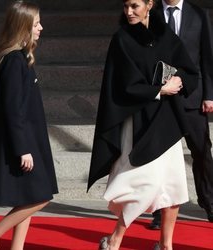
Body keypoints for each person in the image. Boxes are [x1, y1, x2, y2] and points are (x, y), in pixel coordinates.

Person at [87, 0, 198, 249]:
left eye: (135, 5)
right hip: (137, 123)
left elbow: (189, 70)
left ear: (150, 4)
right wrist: (159, 89)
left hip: (166, 122)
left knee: (174, 187)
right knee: (141, 183)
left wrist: (178, 79)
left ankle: (165, 245)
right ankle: (115, 238)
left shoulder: (165, 34)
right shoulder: (122, 39)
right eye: (126, 5)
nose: (129, 12)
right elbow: (122, 85)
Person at [0, 1, 58, 249]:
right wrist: (22, 148)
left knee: (29, 197)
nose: (41, 27)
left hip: (30, 139)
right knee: (40, 197)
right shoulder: (14, 61)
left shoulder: (21, 59)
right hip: (23, 142)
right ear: (23, 27)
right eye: (36, 23)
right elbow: (11, 110)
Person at [149, 0, 213, 230]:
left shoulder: (198, 14)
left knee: (202, 151)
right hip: (162, 97)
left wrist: (210, 95)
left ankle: (209, 202)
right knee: (160, 156)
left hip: (192, 97)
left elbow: (207, 56)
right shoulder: (151, 13)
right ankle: (160, 211)